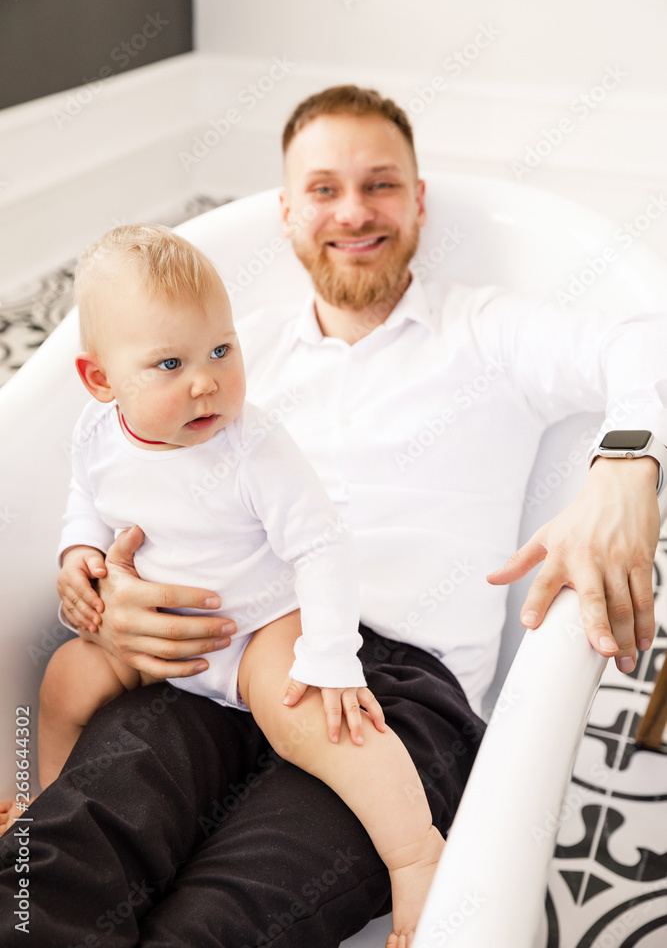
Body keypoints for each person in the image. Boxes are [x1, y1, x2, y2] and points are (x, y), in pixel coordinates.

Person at [0, 84, 665, 948]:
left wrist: (625, 461)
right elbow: (117, 471)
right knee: (54, 866)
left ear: (418, 200)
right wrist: (112, 595)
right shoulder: (231, 352)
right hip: (214, 662)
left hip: (394, 693)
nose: (353, 211)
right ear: (284, 213)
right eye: (323, 189)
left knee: (222, 925)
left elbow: (646, 338)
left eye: (380, 184)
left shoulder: (485, 332)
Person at [2, 221, 445, 946]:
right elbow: (86, 498)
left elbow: (323, 547)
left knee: (315, 718)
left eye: (220, 349)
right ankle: (45, 797)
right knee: (61, 682)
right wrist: (75, 553)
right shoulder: (95, 433)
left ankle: (416, 851)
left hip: (258, 627)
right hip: (161, 641)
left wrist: (329, 656)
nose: (206, 379)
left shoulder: (253, 449)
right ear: (100, 380)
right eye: (170, 363)